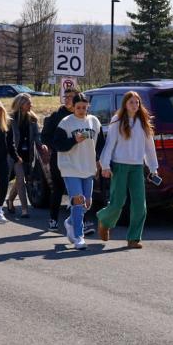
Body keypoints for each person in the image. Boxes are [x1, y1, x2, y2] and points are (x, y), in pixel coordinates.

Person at [96, 91, 159, 248]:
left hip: (137, 167)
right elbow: (110, 144)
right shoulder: (117, 120)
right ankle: (104, 219)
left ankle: (133, 238)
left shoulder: (143, 121)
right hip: (120, 166)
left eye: (137, 102)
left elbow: (149, 147)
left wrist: (153, 167)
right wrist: (105, 165)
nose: (135, 105)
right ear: (125, 104)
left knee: (140, 205)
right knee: (117, 203)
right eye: (131, 102)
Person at [51, 93, 101, 250]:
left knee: (87, 203)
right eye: (78, 107)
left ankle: (71, 222)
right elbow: (57, 144)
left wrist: (100, 162)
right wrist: (74, 140)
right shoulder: (66, 123)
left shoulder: (94, 121)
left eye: (84, 107)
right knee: (78, 201)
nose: (81, 110)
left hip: (88, 167)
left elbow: (100, 145)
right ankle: (79, 237)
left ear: (88, 107)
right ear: (73, 107)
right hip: (70, 167)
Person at [39, 87, 76, 231]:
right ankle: (53, 219)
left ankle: (79, 221)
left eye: (70, 96)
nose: (67, 99)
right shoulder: (56, 115)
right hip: (59, 157)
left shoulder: (82, 114)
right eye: (65, 96)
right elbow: (45, 136)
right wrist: (53, 146)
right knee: (58, 189)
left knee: (77, 190)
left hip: (78, 159)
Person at [6, 93, 38, 218]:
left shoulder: (32, 119)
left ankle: (9, 200)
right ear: (21, 104)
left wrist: (41, 144)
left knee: (21, 179)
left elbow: (36, 135)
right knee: (21, 180)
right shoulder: (10, 119)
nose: (31, 105)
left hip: (27, 154)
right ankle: (24, 209)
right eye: (28, 103)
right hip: (13, 154)